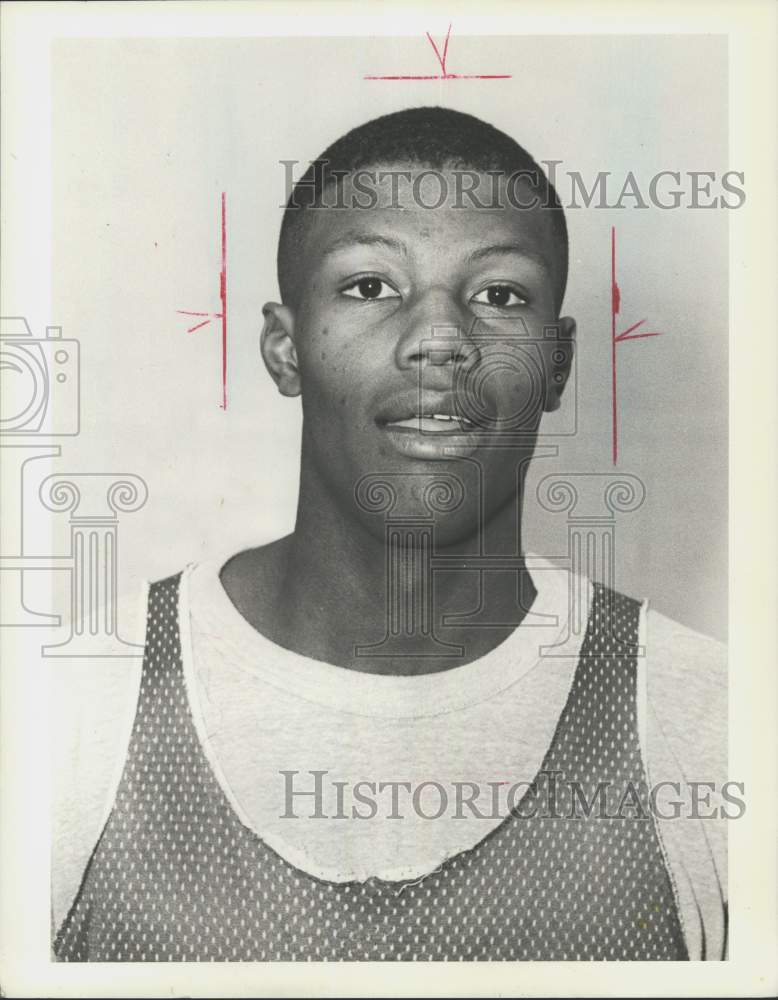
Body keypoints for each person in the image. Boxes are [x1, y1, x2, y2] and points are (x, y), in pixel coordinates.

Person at [52, 106, 728, 962]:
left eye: (498, 294)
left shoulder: (711, 722)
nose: (440, 339)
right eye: (370, 286)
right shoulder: (68, 707)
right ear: (285, 347)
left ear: (557, 364)